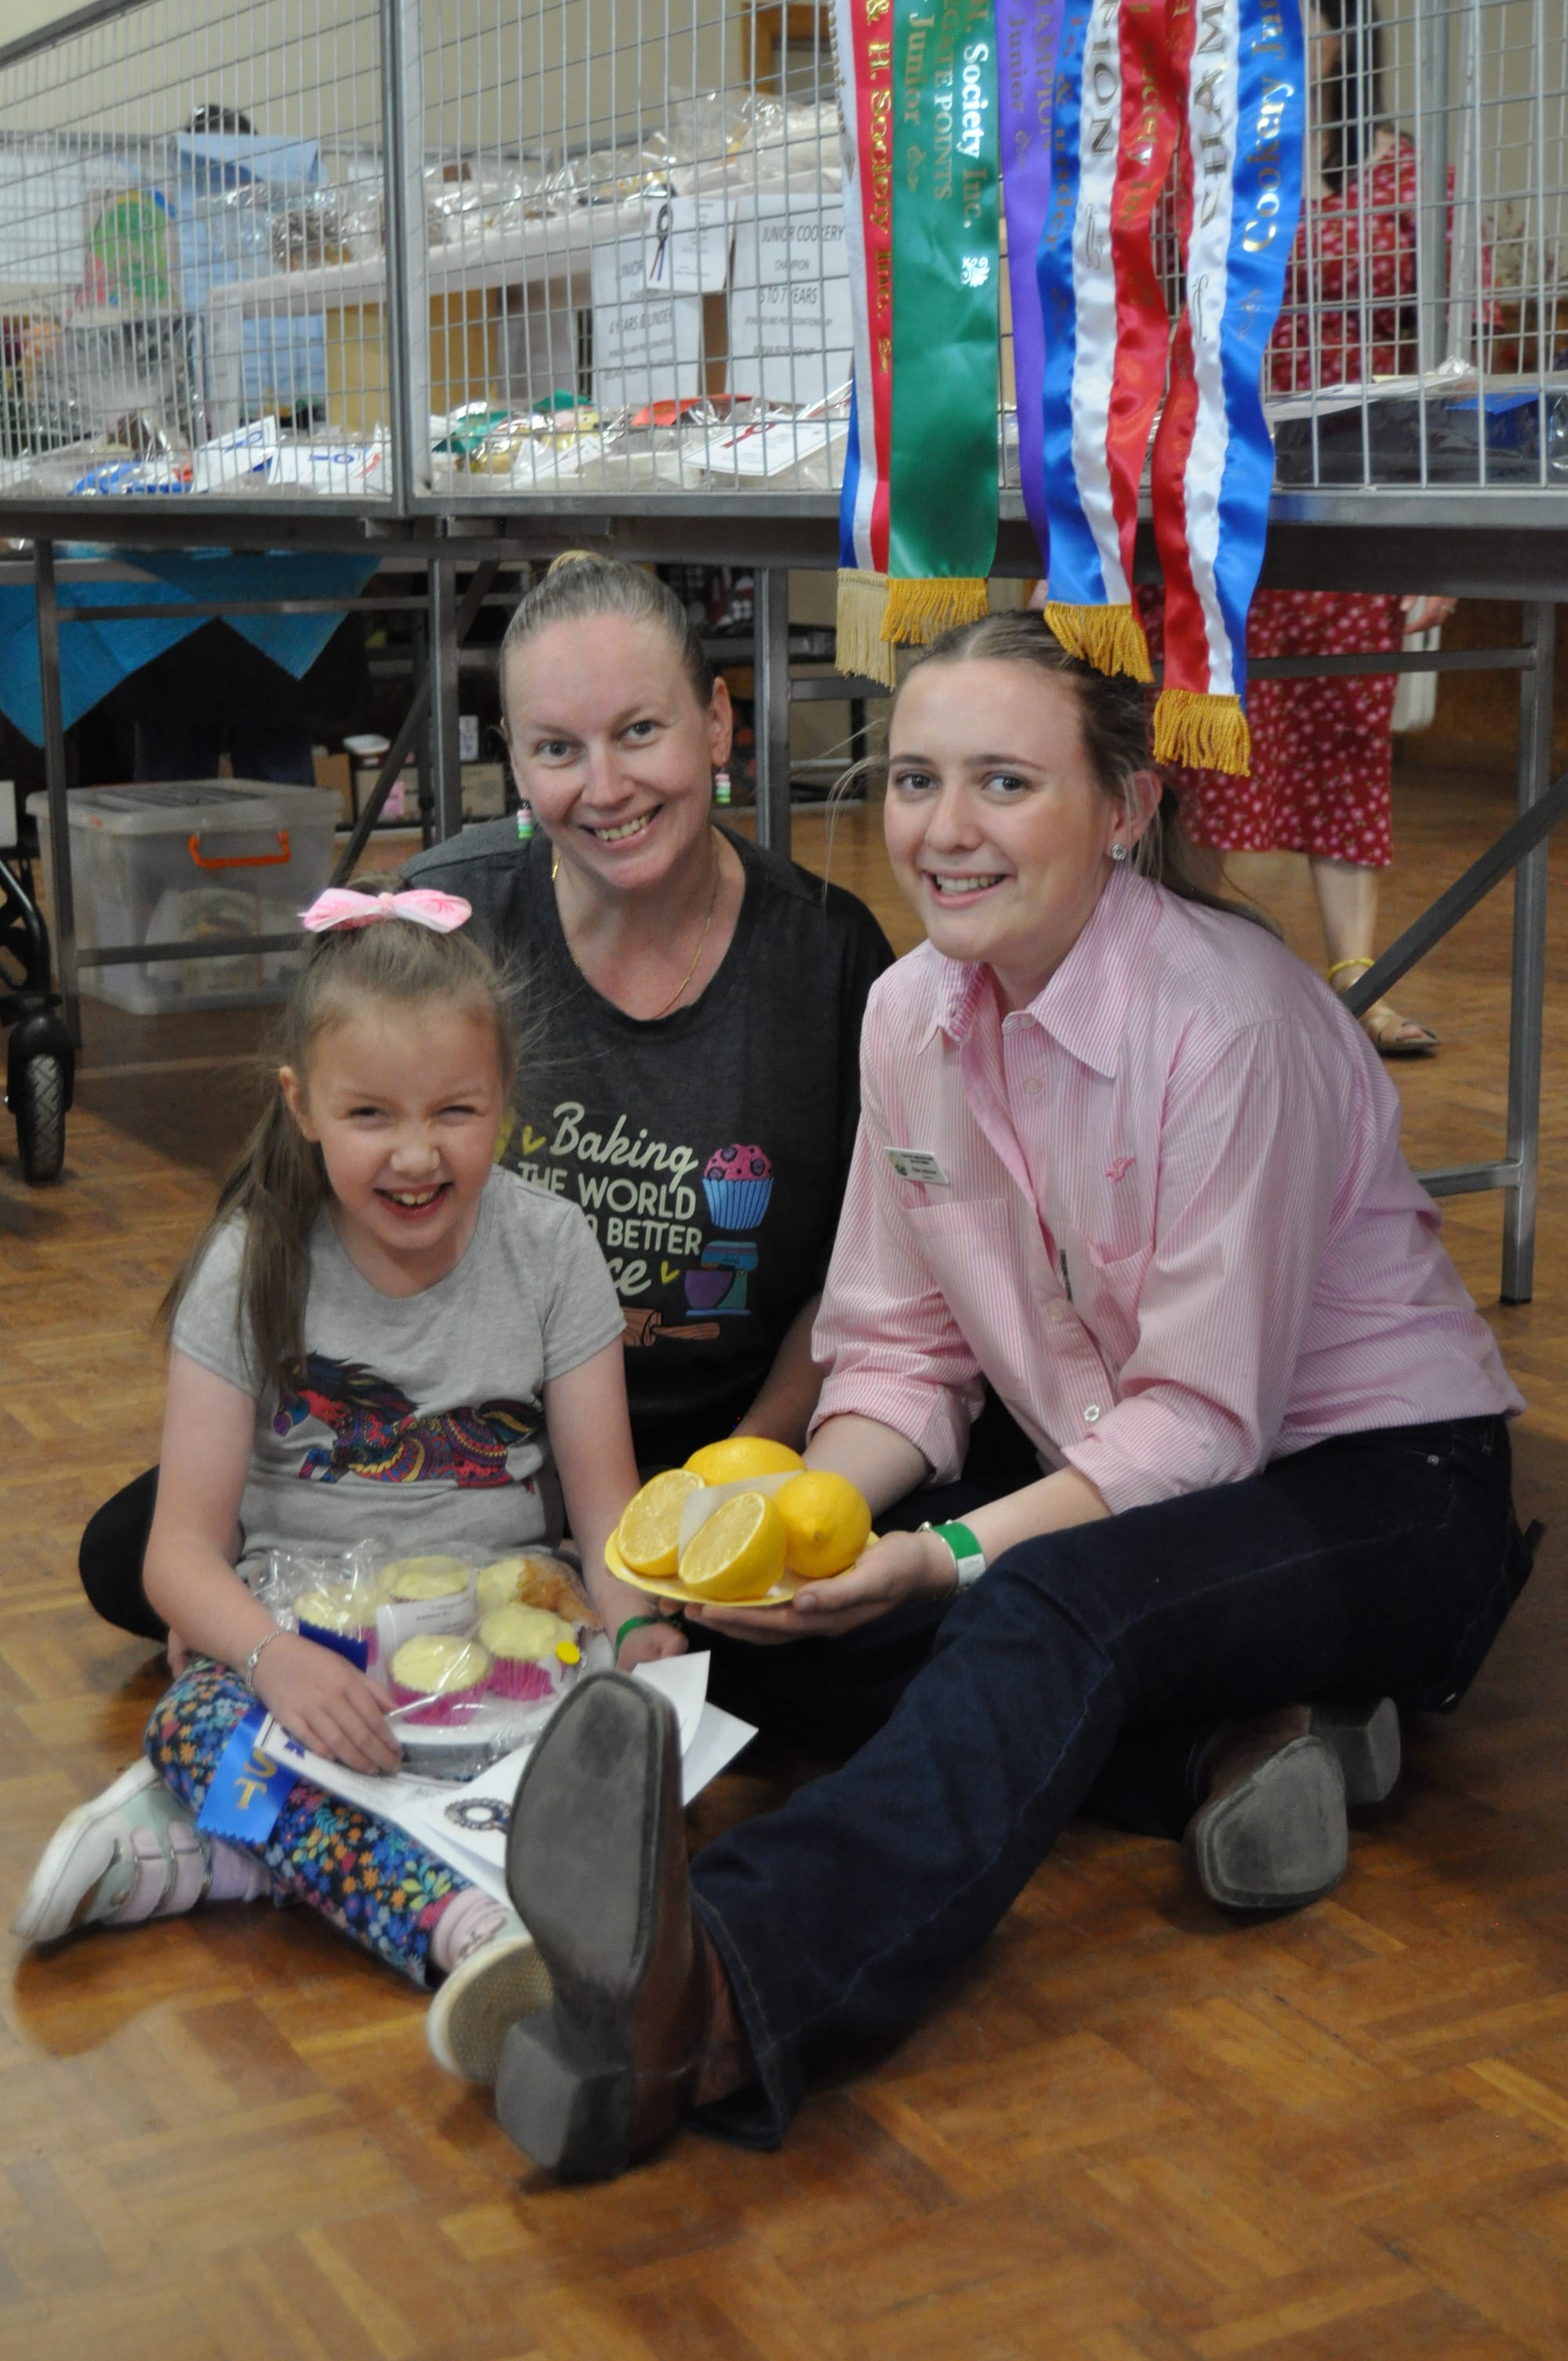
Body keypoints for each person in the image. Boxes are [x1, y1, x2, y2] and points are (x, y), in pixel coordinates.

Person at [481, 612, 1530, 2177]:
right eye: (913, 778)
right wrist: (808, 1514)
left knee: (1035, 1613)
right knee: (770, 1637)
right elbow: (898, 1351)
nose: (942, 831)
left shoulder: (1225, 1023)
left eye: (1002, 783)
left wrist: (949, 1554)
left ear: (1123, 808)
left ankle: (712, 1993)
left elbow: (1202, 1426)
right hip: (1134, 1486)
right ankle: (1236, 1747)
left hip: (1373, 1490)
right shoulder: (911, 1013)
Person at [75, 554, 898, 1642]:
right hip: (463, 1443)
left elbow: (861, 1275)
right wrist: (248, 1617)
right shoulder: (439, 923)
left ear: (717, 723)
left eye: (639, 732)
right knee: (133, 1556)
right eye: (558, 749)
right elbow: (291, 1194)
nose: (604, 788)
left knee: (884, 1614)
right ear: (513, 760)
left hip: (718, 1440)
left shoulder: (831, 957)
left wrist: (735, 1486)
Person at [15, 888, 680, 2087]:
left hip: (498, 1652)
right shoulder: (247, 1261)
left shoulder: (552, 1249)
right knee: (197, 1711)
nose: (417, 1153)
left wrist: (643, 1642)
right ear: (303, 1108)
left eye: (457, 1113)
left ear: (506, 1109)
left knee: (616, 1768)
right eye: (370, 1114)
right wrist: (272, 1656)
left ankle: (221, 1847)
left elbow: (605, 1515)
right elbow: (176, 1558)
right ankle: (467, 1931)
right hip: (299, 1646)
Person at [1140, 0, 1462, 1058]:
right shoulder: (1198, 166)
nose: (1281, 33)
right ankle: (1174, 967)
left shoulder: (1408, 176)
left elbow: (1456, 348)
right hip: (1217, 483)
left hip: (1355, 490)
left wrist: (1442, 529)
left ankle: (1358, 976)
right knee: (1200, 727)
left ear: (1345, 41)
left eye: (1306, 17)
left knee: (1344, 731)